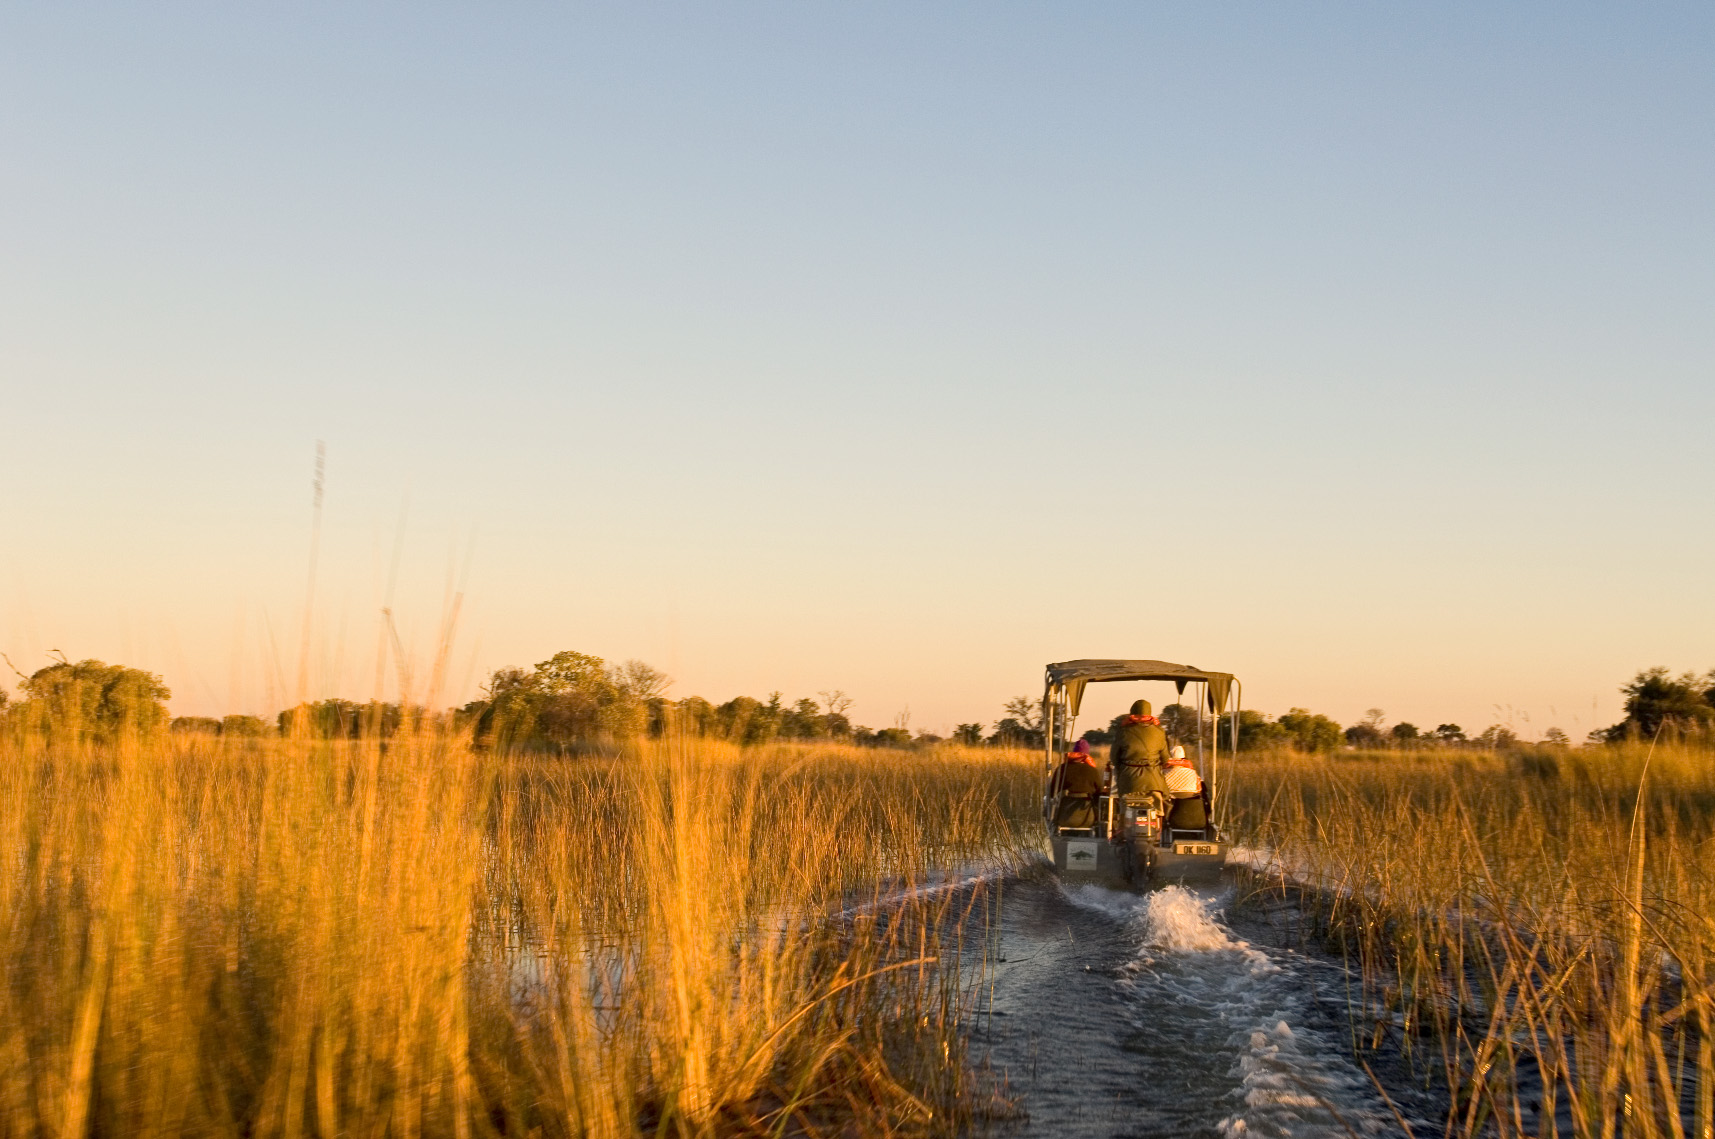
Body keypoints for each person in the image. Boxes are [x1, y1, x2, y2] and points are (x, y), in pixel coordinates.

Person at [1109, 699, 1169, 801]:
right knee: (1164, 800)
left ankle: (1124, 815)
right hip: (1154, 781)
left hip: (1128, 780)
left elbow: (1114, 758)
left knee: (1124, 807)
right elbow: (1165, 759)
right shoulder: (1159, 731)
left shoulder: (1123, 731)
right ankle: (1160, 814)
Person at [1050, 739, 1104, 829]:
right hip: (1087, 818)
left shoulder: (1062, 769)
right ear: (1087, 755)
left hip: (1064, 818)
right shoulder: (1093, 771)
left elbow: (1052, 792)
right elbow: (1099, 794)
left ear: (1074, 753)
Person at [1163, 744, 1209, 831]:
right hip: (1195, 818)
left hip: (1173, 816)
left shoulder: (1163, 774)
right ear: (1184, 758)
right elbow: (1199, 790)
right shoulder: (1193, 773)